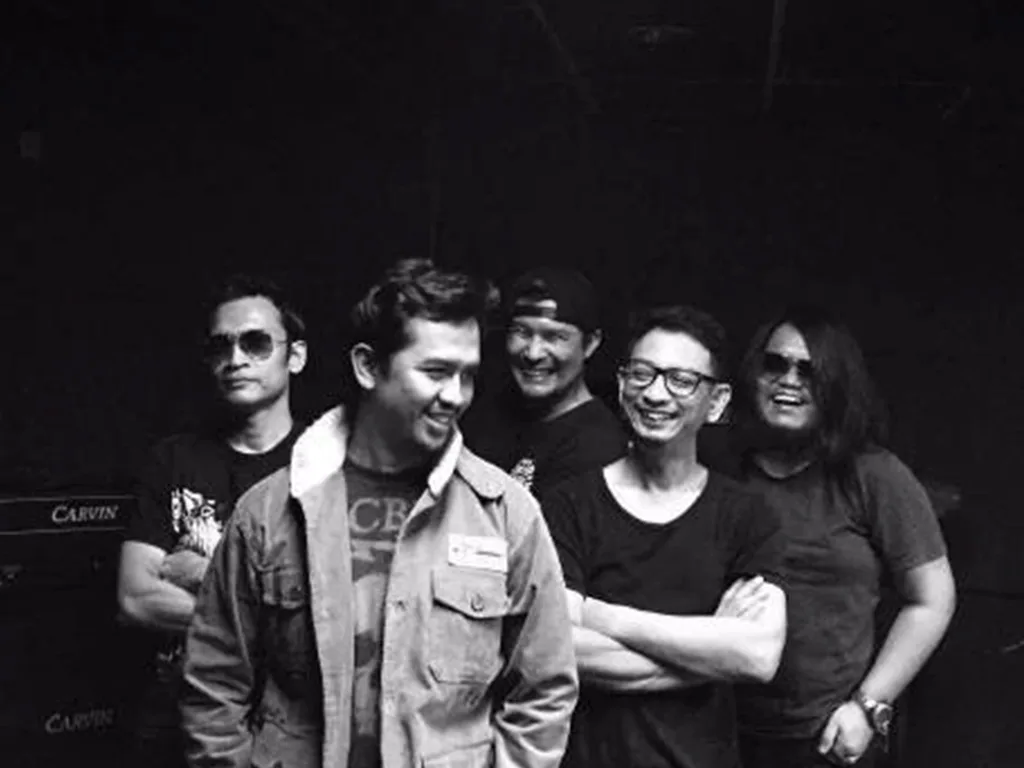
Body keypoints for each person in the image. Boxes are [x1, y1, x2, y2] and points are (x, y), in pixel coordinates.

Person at [180, 258, 579, 768]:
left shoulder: (505, 514)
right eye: (436, 372)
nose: (456, 396)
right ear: (368, 366)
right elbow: (214, 683)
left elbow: (545, 691)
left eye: (468, 375)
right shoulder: (268, 511)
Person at [541, 304, 788, 768]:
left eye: (681, 380)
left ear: (717, 402)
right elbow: (557, 649)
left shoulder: (747, 515)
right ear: (621, 385)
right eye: (642, 374)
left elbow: (757, 655)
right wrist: (712, 652)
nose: (655, 394)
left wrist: (601, 616)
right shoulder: (568, 506)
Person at [728, 304, 956, 768]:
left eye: (808, 370)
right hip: (714, 730)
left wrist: (868, 707)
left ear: (836, 385)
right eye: (775, 364)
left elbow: (933, 600)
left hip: (824, 739)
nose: (788, 380)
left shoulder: (873, 474)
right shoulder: (721, 465)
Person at [116, 274, 309, 768]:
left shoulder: (324, 466)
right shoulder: (173, 460)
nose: (236, 358)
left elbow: (329, 616)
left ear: (295, 356)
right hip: (172, 719)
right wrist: (267, 609)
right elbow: (136, 599)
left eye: (256, 342)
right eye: (221, 346)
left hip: (287, 730)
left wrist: (201, 574)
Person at [461, 266, 628, 499]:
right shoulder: (484, 414)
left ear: (590, 344)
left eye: (554, 337)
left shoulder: (598, 448)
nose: (533, 353)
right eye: (521, 332)